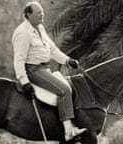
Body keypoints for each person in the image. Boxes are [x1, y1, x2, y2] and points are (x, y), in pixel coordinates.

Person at [12, 1, 86, 141]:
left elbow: (52, 49)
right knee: (64, 90)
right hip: (33, 70)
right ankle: (68, 132)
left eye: (42, 12)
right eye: (38, 13)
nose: (42, 15)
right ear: (28, 15)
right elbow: (19, 59)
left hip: (45, 68)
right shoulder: (23, 33)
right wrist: (24, 81)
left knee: (69, 86)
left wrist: (67, 60)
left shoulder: (39, 28)